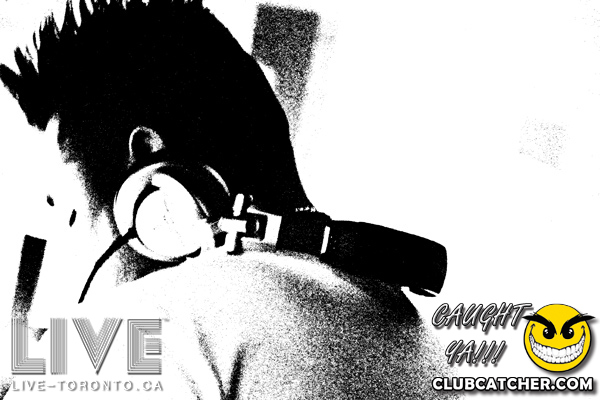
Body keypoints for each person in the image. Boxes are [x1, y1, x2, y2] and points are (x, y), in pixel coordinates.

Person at [0, 0, 454, 398]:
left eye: (60, 203)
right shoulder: (409, 330)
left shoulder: (133, 331)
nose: (68, 240)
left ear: (148, 171)